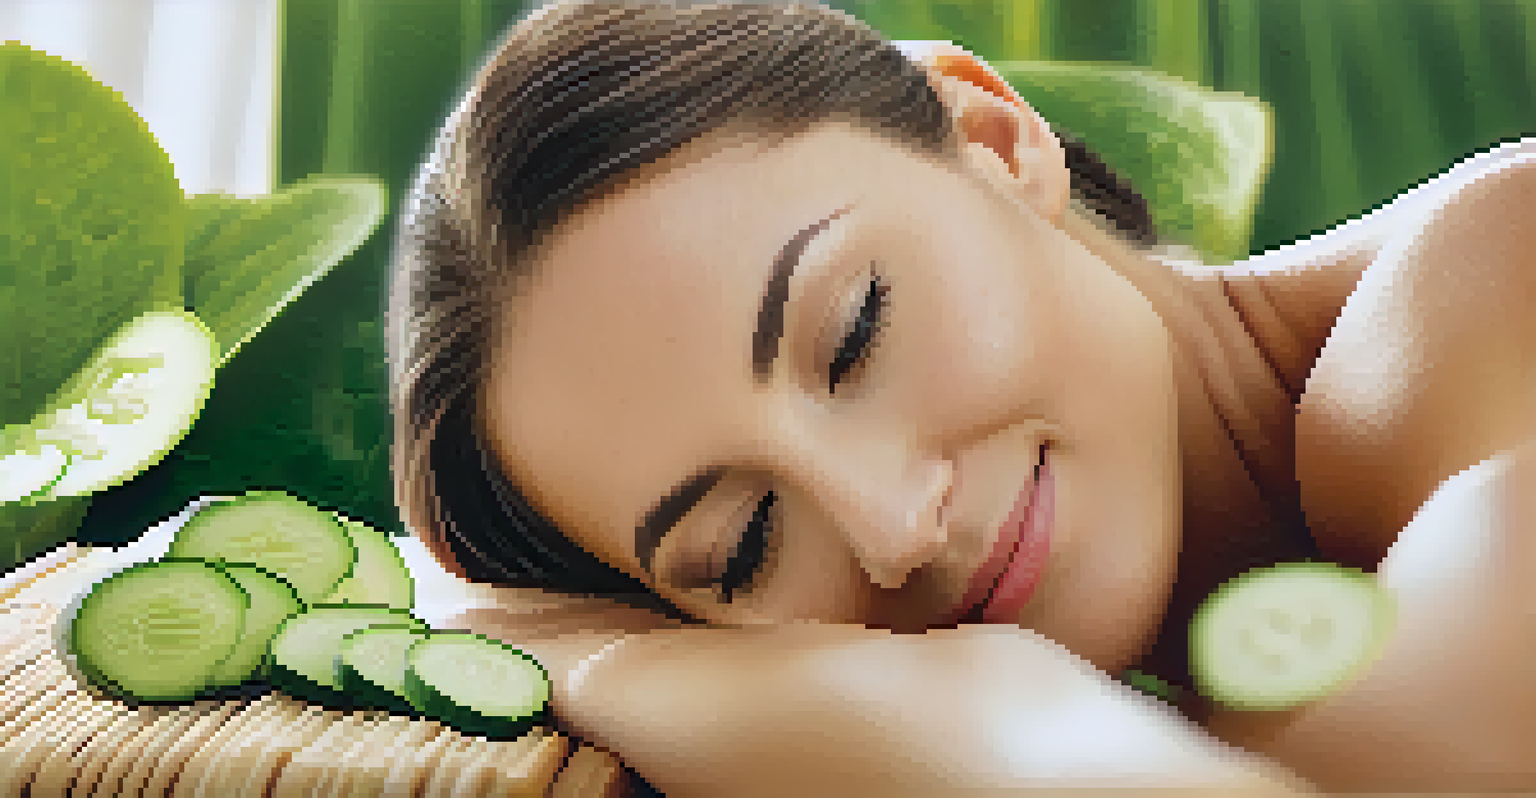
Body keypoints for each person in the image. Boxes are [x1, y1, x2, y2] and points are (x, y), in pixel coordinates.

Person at [386, 1, 1536, 794]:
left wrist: (617, 669)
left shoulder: (1481, 288)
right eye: (746, 545)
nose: (894, 529)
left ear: (992, 137)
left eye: (855, 332)